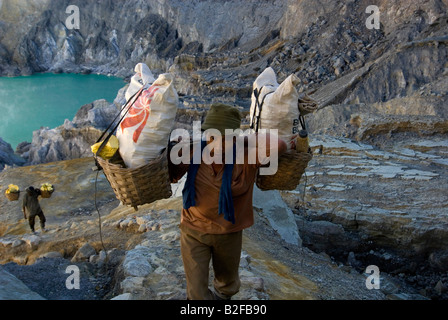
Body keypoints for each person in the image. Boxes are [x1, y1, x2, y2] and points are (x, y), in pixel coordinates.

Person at [176, 103, 287, 300]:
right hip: (194, 230)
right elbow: (163, 166)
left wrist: (246, 139)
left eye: (224, 139)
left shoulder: (247, 156)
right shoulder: (192, 152)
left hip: (228, 233)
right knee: (196, 294)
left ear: (235, 138)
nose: (216, 145)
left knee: (226, 285)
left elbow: (279, 145)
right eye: (211, 137)